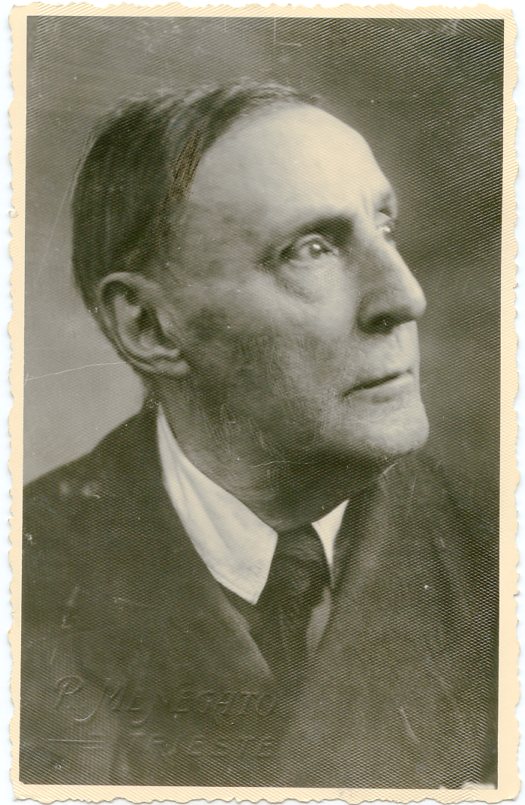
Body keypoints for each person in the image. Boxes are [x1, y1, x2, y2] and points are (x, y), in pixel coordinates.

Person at [20, 80, 498, 788]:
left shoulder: (494, 559)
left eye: (385, 227)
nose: (404, 297)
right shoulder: (26, 573)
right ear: (150, 327)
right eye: (311, 249)